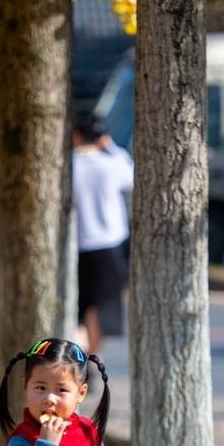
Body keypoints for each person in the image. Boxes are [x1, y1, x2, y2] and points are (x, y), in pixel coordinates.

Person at [72, 114, 134, 356]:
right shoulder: (112, 165)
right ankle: (93, 361)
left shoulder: (68, 166)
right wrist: (112, 147)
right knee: (103, 307)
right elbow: (132, 177)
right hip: (109, 245)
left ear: (75, 135)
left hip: (77, 245)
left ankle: (78, 354)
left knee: (79, 307)